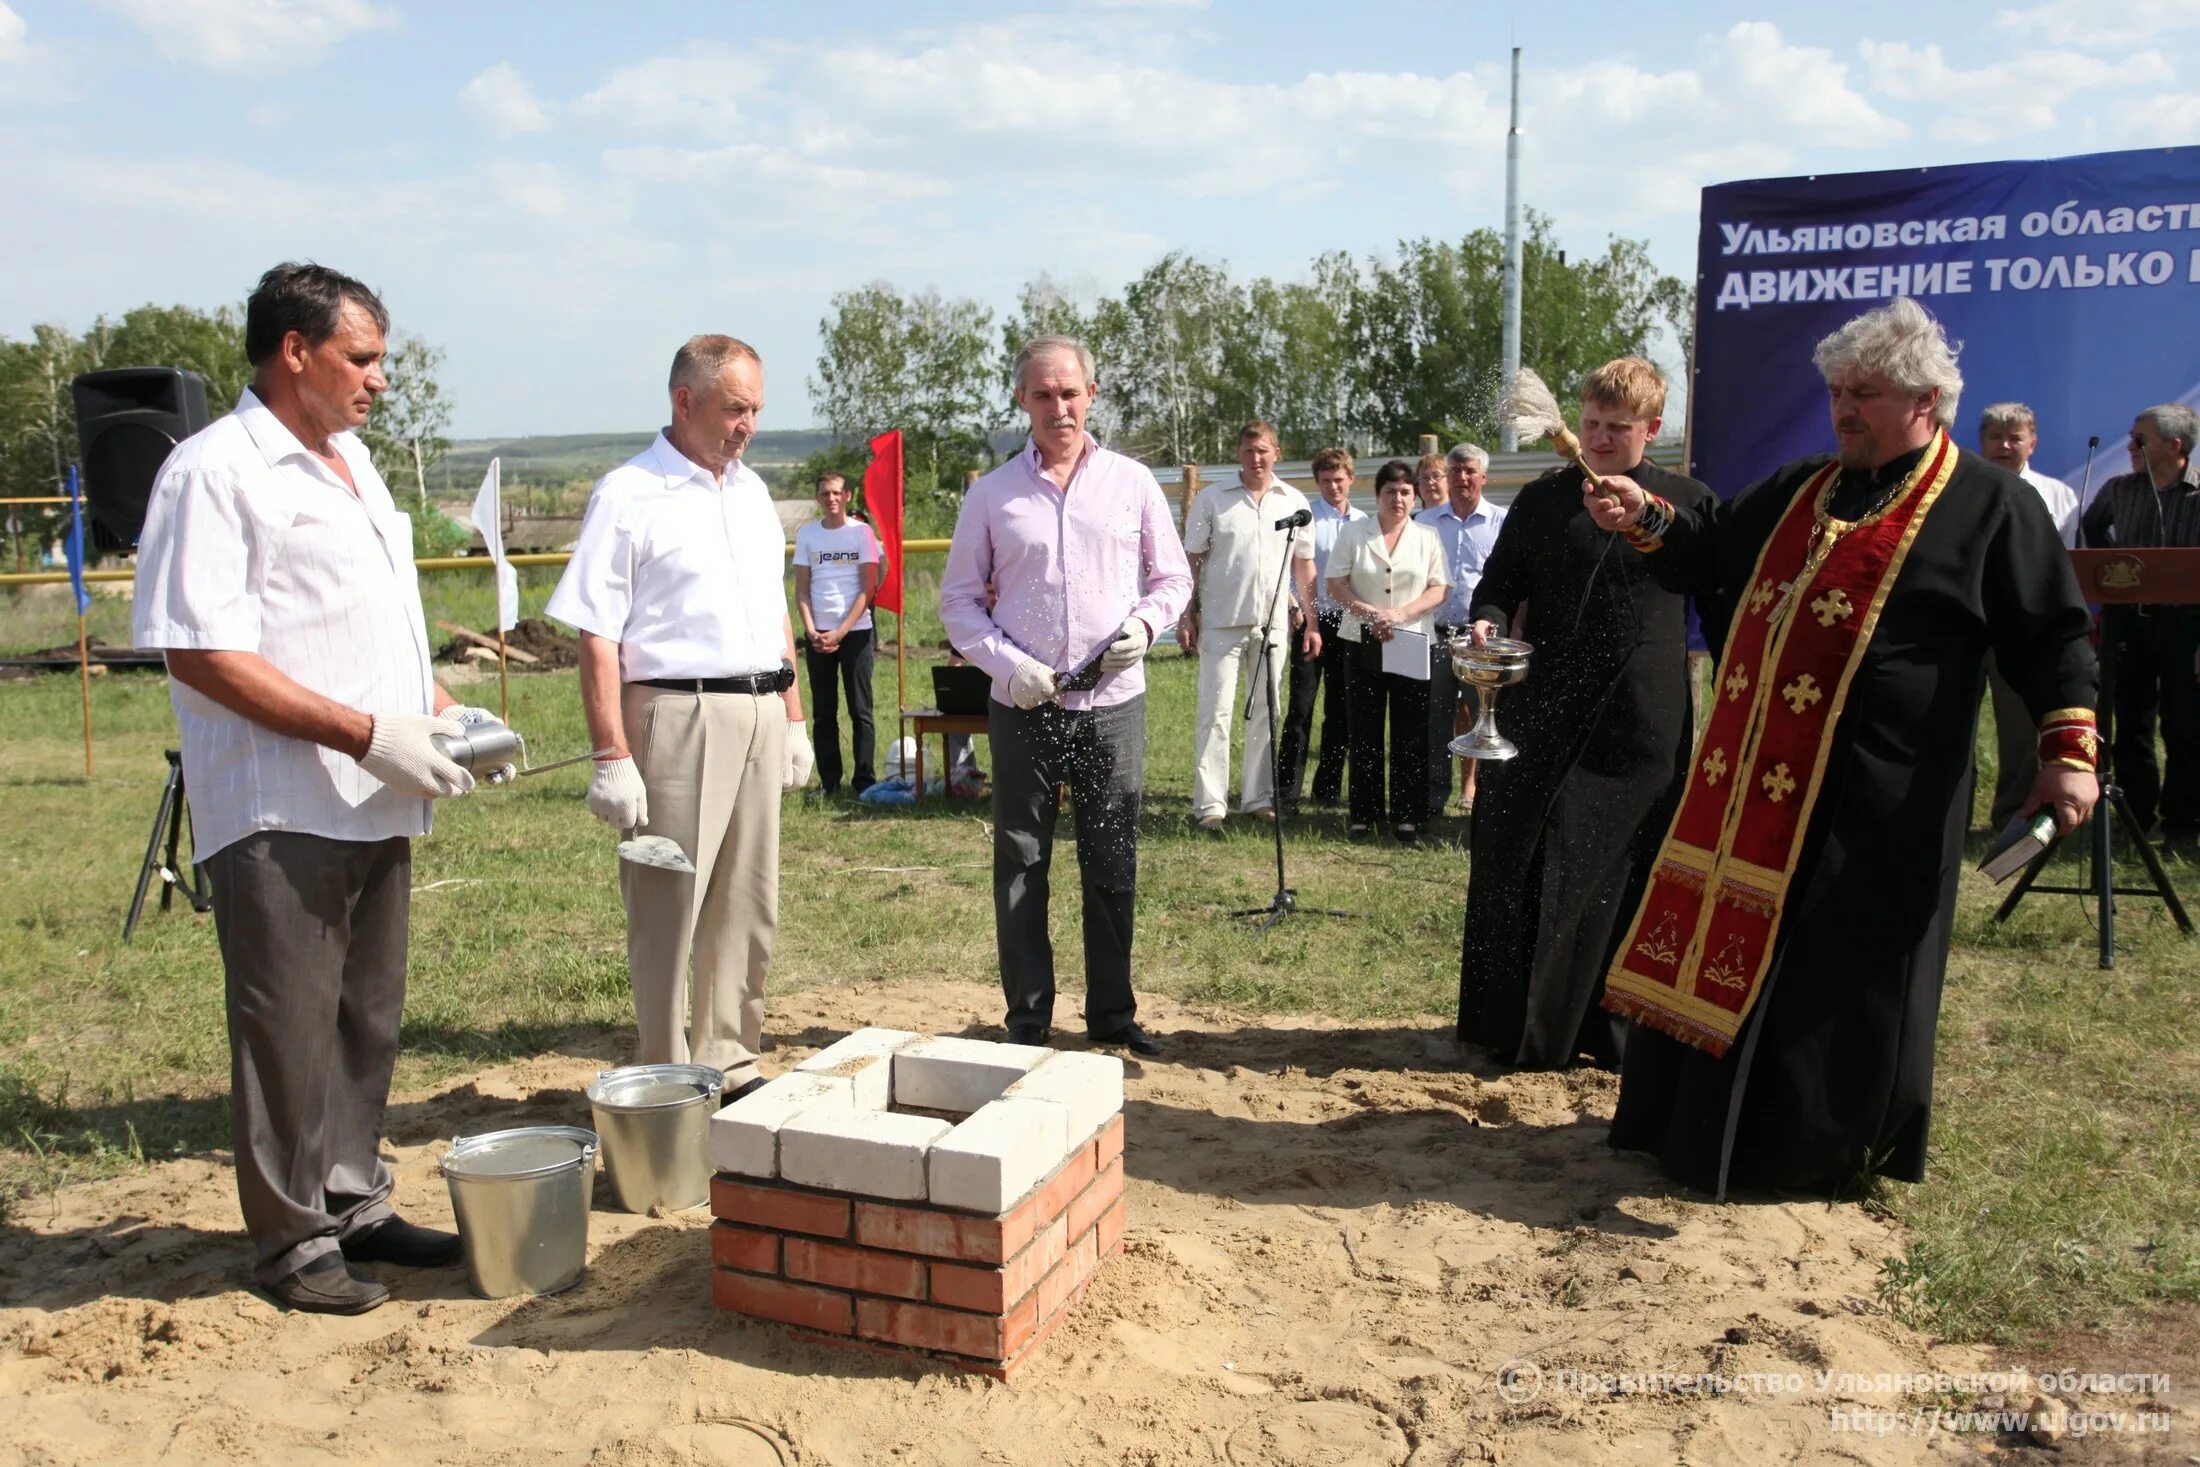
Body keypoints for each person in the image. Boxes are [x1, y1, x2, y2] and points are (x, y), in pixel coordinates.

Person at [1585, 297, 2098, 1197]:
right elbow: (1710, 550)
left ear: (1926, 401)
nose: (1844, 409)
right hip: (1753, 788)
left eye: (1864, 392)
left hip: (1883, 798)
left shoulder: (1991, 506)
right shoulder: (1802, 489)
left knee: (1839, 977)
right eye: (1836, 392)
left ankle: (1810, 1156)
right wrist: (1644, 510)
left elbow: (2052, 638)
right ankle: (1695, 1132)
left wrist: (2067, 753)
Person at [132, 262, 483, 1313]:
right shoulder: (216, 471)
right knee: (286, 1025)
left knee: (364, 1015)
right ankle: (291, 1244)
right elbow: (200, 652)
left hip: (373, 789)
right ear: (296, 351)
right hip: (281, 802)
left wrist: (435, 710)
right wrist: (365, 730)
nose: (380, 381)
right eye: (362, 359)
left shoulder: (354, 464)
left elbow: (369, 621)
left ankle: (354, 1196)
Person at [547, 335, 813, 1102]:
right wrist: (610, 753)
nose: (748, 425)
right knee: (670, 908)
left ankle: (729, 1059)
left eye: (757, 409)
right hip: (678, 711)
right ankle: (667, 1077)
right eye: (736, 408)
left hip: (760, 706)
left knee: (746, 901)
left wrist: (792, 714)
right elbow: (596, 632)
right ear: (685, 402)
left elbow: (772, 613)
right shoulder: (629, 493)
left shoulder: (752, 493)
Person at [1452, 358, 1712, 1070]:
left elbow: (1713, 581)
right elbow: (1499, 586)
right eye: (1591, 423)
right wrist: (1487, 622)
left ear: (1651, 430)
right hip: (1542, 709)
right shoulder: (1541, 501)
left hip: (1642, 722)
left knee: (1624, 873)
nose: (1597, 439)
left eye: (1617, 428)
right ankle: (1508, 1026)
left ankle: (1612, 1031)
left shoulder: (1686, 503)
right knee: (1518, 855)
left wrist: (1652, 521)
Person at [940, 335, 1192, 1056]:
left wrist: (1145, 626)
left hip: (1113, 704)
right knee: (1021, 862)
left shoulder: (1134, 483)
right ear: (1022, 399)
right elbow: (958, 601)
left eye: (1070, 392)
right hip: (1024, 706)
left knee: (1111, 859)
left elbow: (1171, 578)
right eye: (1044, 394)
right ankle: (1027, 1023)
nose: (1060, 407)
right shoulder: (991, 495)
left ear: (1093, 394)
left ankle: (1113, 1016)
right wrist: (1003, 664)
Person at [1179, 421, 1318, 832]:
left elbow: (1304, 566)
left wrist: (1311, 621)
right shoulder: (1212, 499)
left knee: (1267, 711)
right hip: (1222, 622)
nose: (1256, 458)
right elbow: (1191, 560)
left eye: (1263, 450)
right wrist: (1188, 613)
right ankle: (1210, 806)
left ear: (1277, 452)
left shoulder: (1293, 501)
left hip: (1273, 623)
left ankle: (1257, 796)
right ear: (1238, 453)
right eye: (1248, 450)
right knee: (1215, 713)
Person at [2081, 403, 2200, 853]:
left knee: (2185, 727)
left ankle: (2183, 825)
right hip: (2129, 623)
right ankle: (2133, 819)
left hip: (2187, 626)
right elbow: (2093, 528)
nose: (2130, 446)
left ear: (2173, 446)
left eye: (2140, 439)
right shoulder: (2118, 490)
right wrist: (2111, 576)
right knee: (2129, 725)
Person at [1325, 465, 1450, 842]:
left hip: (1411, 638)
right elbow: (1336, 584)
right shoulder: (1353, 533)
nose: (1398, 499)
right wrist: (1372, 615)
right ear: (1377, 495)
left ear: (1415, 497)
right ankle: (1364, 812)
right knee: (1364, 726)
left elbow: (1439, 588)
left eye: (1405, 492)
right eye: (1390, 492)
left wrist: (1398, 615)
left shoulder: (1427, 535)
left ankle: (1407, 814)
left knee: (1411, 728)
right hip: (1362, 638)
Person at [1977, 403, 2081, 829]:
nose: (2004, 446)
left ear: (2032, 443)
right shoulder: (1962, 490)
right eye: (1995, 437)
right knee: (1950, 728)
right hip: (1967, 625)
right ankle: (1949, 816)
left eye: (2014, 437)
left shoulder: (2059, 495)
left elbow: (2067, 567)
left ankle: (2012, 815)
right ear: (1981, 442)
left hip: (2020, 630)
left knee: (2020, 730)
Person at [1416, 443, 1508, 821]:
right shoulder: (1424, 522)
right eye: (1455, 471)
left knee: (1485, 721)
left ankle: (1484, 798)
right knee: (1434, 719)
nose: (1462, 478)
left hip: (1481, 641)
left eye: (1470, 471)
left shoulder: (1501, 522)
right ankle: (1435, 797)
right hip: (1435, 635)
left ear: (1483, 477)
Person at [1277, 447, 1367, 813]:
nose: (1333, 486)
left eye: (1339, 480)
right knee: (1301, 706)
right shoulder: (1305, 517)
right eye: (1326, 480)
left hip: (1347, 623)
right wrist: (1293, 605)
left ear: (1351, 480)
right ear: (1317, 482)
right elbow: (1284, 566)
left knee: (1341, 709)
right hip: (1310, 620)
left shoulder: (1364, 523)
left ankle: (1327, 788)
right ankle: (1286, 791)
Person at [793, 470, 881, 795]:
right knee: (823, 711)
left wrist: (841, 632)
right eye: (825, 494)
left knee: (860, 709)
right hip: (819, 633)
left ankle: (864, 782)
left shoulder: (862, 534)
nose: (831, 499)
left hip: (855, 632)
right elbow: (801, 589)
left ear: (848, 496)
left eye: (836, 493)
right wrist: (811, 629)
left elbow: (867, 590)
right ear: (818, 498)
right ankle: (829, 782)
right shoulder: (807, 535)